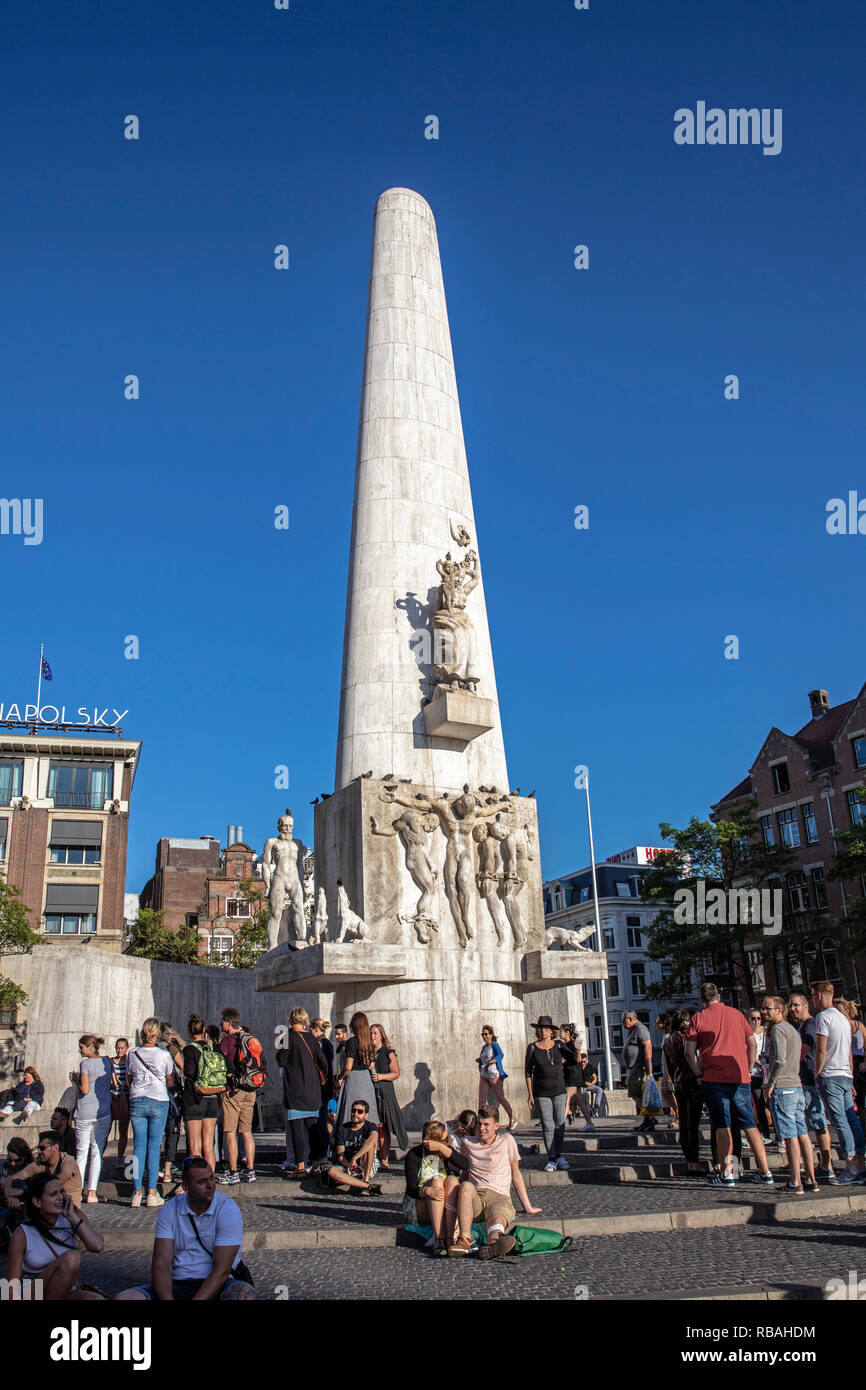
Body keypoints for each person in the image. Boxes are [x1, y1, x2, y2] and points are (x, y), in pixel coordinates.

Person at [114, 1157, 255, 1301]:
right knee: (125, 1297)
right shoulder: (171, 1209)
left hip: (220, 1284)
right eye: (202, 1182)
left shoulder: (227, 1208)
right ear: (186, 1187)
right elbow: (160, 1266)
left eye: (211, 1178)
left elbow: (221, 1271)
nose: (210, 1185)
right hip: (179, 1282)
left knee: (244, 1294)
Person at [684, 981, 773, 1190]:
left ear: (702, 999)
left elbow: (689, 1051)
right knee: (749, 1124)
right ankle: (765, 1170)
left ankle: (726, 1172)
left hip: (713, 1077)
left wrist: (698, 1072)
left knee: (722, 1125)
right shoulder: (736, 1015)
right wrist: (748, 1066)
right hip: (740, 1077)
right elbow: (752, 1044)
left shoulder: (699, 1018)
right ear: (719, 995)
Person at [449, 1104, 541, 1259]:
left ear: (496, 1126)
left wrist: (527, 1206)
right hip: (476, 1196)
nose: (482, 1128)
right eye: (479, 1124)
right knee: (465, 1186)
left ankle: (494, 1245)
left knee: (496, 1219)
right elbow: (464, 1173)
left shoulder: (506, 1140)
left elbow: (516, 1173)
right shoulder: (468, 1143)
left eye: (486, 1125)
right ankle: (465, 1239)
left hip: (499, 1196)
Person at [6, 1170, 104, 1300]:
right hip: (34, 1291)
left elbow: (97, 1246)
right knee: (72, 1257)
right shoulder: (23, 1233)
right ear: (37, 1202)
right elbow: (11, 1283)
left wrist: (73, 1217)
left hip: (65, 1290)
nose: (60, 1198)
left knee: (95, 1299)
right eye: (53, 1194)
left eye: (62, 1192)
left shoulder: (74, 1217)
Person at [760, 996, 817, 1194]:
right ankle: (811, 1178)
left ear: (778, 1010)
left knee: (790, 1137)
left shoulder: (778, 1029)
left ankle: (795, 1181)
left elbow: (780, 1060)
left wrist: (770, 1083)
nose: (764, 1012)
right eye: (763, 1009)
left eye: (768, 1009)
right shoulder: (793, 1030)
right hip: (797, 1086)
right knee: (802, 1133)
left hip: (784, 1088)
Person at [813, 980, 866, 1182]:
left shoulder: (823, 1017)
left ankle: (850, 1166)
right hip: (845, 1073)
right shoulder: (844, 1019)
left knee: (840, 1121)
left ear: (819, 995)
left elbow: (822, 1049)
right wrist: (851, 1076)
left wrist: (817, 1073)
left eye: (813, 996)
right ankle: (860, 1163)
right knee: (852, 1119)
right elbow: (850, 1053)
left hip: (831, 1074)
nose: (813, 1000)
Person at [128, 1016, 176, 1207]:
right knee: (154, 1147)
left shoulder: (132, 1053)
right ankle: (152, 1192)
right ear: (157, 1035)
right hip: (158, 1100)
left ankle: (136, 1193)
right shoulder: (164, 1054)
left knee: (139, 1147)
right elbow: (170, 1080)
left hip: (137, 1099)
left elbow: (128, 1078)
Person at [403, 1119, 470, 1255]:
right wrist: (426, 1191)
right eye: (445, 1139)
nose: (449, 1141)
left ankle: (449, 1237)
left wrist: (442, 1149)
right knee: (437, 1180)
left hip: (443, 1204)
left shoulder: (444, 1152)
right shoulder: (414, 1155)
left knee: (451, 1180)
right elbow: (411, 1189)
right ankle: (439, 1238)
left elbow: (465, 1164)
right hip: (419, 1204)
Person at [787, 992, 835, 1181]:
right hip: (807, 1079)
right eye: (791, 1005)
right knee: (814, 1122)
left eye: (796, 1005)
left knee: (817, 1121)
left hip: (809, 1079)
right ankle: (824, 1164)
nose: (793, 1009)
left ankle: (827, 1164)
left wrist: (790, 1068)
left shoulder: (809, 1026)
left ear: (806, 1006)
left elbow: (802, 1052)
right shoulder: (805, 1026)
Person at [276, 1007, 328, 1178]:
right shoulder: (312, 1039)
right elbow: (323, 1063)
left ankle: (300, 1167)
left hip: (295, 1090)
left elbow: (281, 1061)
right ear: (305, 1020)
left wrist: (278, 1050)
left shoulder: (286, 1037)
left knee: (297, 1129)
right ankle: (315, 1162)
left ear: (291, 1020)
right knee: (312, 1127)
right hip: (312, 1090)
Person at [218, 1007, 263, 1185]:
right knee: (247, 1132)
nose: (221, 1024)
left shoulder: (227, 1042)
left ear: (229, 1023)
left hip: (233, 1091)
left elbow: (222, 1066)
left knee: (230, 1132)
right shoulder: (250, 1039)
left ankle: (233, 1171)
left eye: (223, 1021)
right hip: (250, 1090)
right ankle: (250, 1170)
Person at [524, 1015, 576, 1170]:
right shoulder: (532, 1048)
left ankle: (559, 1154)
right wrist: (530, 1094)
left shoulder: (558, 1045)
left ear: (552, 1031)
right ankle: (551, 1157)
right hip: (541, 1092)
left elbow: (573, 1060)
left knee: (560, 1123)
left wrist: (577, 1047)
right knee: (547, 1125)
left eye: (546, 1028)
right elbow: (527, 1072)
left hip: (559, 1090)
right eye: (540, 1028)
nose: (543, 1031)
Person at [71, 1034, 114, 1204]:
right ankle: (92, 1192)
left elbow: (85, 1089)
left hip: (84, 1112)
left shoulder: (85, 1064)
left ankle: (77, 1190)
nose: (80, 1050)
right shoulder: (107, 1062)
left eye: (82, 1047)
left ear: (90, 1047)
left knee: (81, 1153)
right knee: (97, 1152)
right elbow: (113, 1084)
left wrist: (75, 1080)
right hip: (103, 1111)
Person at [181, 1014, 224, 1171]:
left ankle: (195, 1181)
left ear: (189, 1031)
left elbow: (190, 1072)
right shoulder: (215, 1048)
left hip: (195, 1099)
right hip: (213, 1098)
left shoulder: (189, 1050)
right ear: (204, 1030)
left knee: (194, 1146)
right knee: (209, 1144)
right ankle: (209, 1179)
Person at [664, 1010, 704, 1175]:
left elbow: (670, 1067)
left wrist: (674, 1079)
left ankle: (689, 1162)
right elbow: (692, 1056)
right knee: (693, 1125)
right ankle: (695, 1163)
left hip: (679, 1082)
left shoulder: (667, 1041)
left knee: (684, 1124)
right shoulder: (685, 1039)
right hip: (691, 1080)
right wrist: (699, 1074)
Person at [321, 1099, 383, 1195]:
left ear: (366, 1115)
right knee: (332, 1171)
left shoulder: (370, 1126)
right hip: (348, 1165)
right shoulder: (343, 1129)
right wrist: (350, 1165)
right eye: (353, 1111)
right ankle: (367, 1186)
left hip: (366, 1163)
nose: (355, 1113)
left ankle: (365, 1180)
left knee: (370, 1144)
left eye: (360, 1111)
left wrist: (355, 1157)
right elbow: (341, 1157)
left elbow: (373, 1138)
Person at [370, 1022, 410, 1167]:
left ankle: (384, 1159)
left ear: (381, 1035)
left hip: (384, 1092)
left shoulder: (388, 1052)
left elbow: (396, 1073)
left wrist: (381, 1076)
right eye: (371, 1033)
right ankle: (372, 1158)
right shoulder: (368, 1053)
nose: (372, 1036)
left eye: (375, 1033)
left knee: (382, 1126)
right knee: (372, 1126)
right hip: (371, 1091)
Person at [334, 1011, 378, 1128]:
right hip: (366, 1079)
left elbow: (348, 1066)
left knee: (350, 1111)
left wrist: (340, 1076)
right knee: (367, 1112)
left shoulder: (352, 1042)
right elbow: (371, 1065)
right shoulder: (370, 1043)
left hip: (353, 1079)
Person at [476, 1025, 516, 1129]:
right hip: (484, 1075)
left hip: (494, 1075)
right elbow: (483, 1059)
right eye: (482, 1034)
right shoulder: (484, 1047)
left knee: (500, 1097)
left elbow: (500, 1055)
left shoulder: (494, 1044)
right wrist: (480, 1061)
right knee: (481, 1100)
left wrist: (491, 1061)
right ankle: (479, 1123)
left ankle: (512, 1117)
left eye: (486, 1034)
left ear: (491, 1034)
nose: (484, 1036)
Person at [622, 1010, 655, 1130]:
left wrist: (648, 1064)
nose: (622, 1022)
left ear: (630, 1018)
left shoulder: (641, 1029)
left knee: (638, 1094)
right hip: (633, 1067)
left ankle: (650, 1119)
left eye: (623, 1019)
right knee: (635, 1094)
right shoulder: (633, 1030)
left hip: (639, 1066)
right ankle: (646, 1119)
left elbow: (647, 1046)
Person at [836, 999, 866, 1121]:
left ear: (847, 1011)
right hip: (848, 1064)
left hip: (861, 1063)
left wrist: (865, 1062)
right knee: (855, 1100)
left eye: (839, 1011)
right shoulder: (838, 1029)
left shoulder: (859, 1026)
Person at [0, 1137, 35, 1240]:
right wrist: (8, 1197)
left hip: (23, 1207)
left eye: (17, 1160)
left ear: (24, 1157)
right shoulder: (3, 1166)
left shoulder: (31, 1168)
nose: (12, 1164)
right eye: (9, 1159)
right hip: (4, 1204)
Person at [560, 1026, 595, 1130]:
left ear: (567, 1033)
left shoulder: (572, 1044)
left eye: (561, 1031)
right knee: (579, 1100)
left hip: (572, 1075)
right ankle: (589, 1123)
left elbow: (577, 1059)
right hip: (573, 1074)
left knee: (566, 1100)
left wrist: (578, 1050)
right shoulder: (566, 1045)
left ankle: (560, 1126)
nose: (560, 1033)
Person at [310, 1018, 335, 1158]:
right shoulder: (328, 1044)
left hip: (321, 1087)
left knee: (321, 1123)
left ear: (316, 1029)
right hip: (326, 1087)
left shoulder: (320, 1044)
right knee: (322, 1121)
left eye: (311, 1029)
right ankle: (322, 1152)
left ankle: (322, 1153)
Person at [746, 1006, 772, 1142]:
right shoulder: (747, 1034)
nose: (756, 1021)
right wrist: (756, 1061)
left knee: (771, 1102)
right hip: (755, 1071)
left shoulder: (767, 1032)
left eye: (758, 1018)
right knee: (759, 1102)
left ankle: (777, 1133)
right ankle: (765, 1132)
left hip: (767, 1070)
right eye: (753, 1018)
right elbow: (748, 1050)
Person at [110, 1037, 131, 1167]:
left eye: (122, 1048)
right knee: (107, 1128)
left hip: (125, 1097)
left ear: (126, 1048)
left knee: (123, 1130)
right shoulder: (111, 1061)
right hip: (112, 1097)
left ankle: (119, 1157)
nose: (119, 1050)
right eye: (117, 1047)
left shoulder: (130, 1061)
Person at [656, 1015, 679, 1129]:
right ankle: (677, 1114)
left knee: (669, 1091)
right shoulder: (665, 1036)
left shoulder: (668, 1037)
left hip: (668, 1068)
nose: (656, 1024)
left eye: (658, 1022)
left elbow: (670, 1055)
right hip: (665, 1068)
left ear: (664, 1024)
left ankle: (679, 1116)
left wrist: (670, 1072)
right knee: (666, 1091)